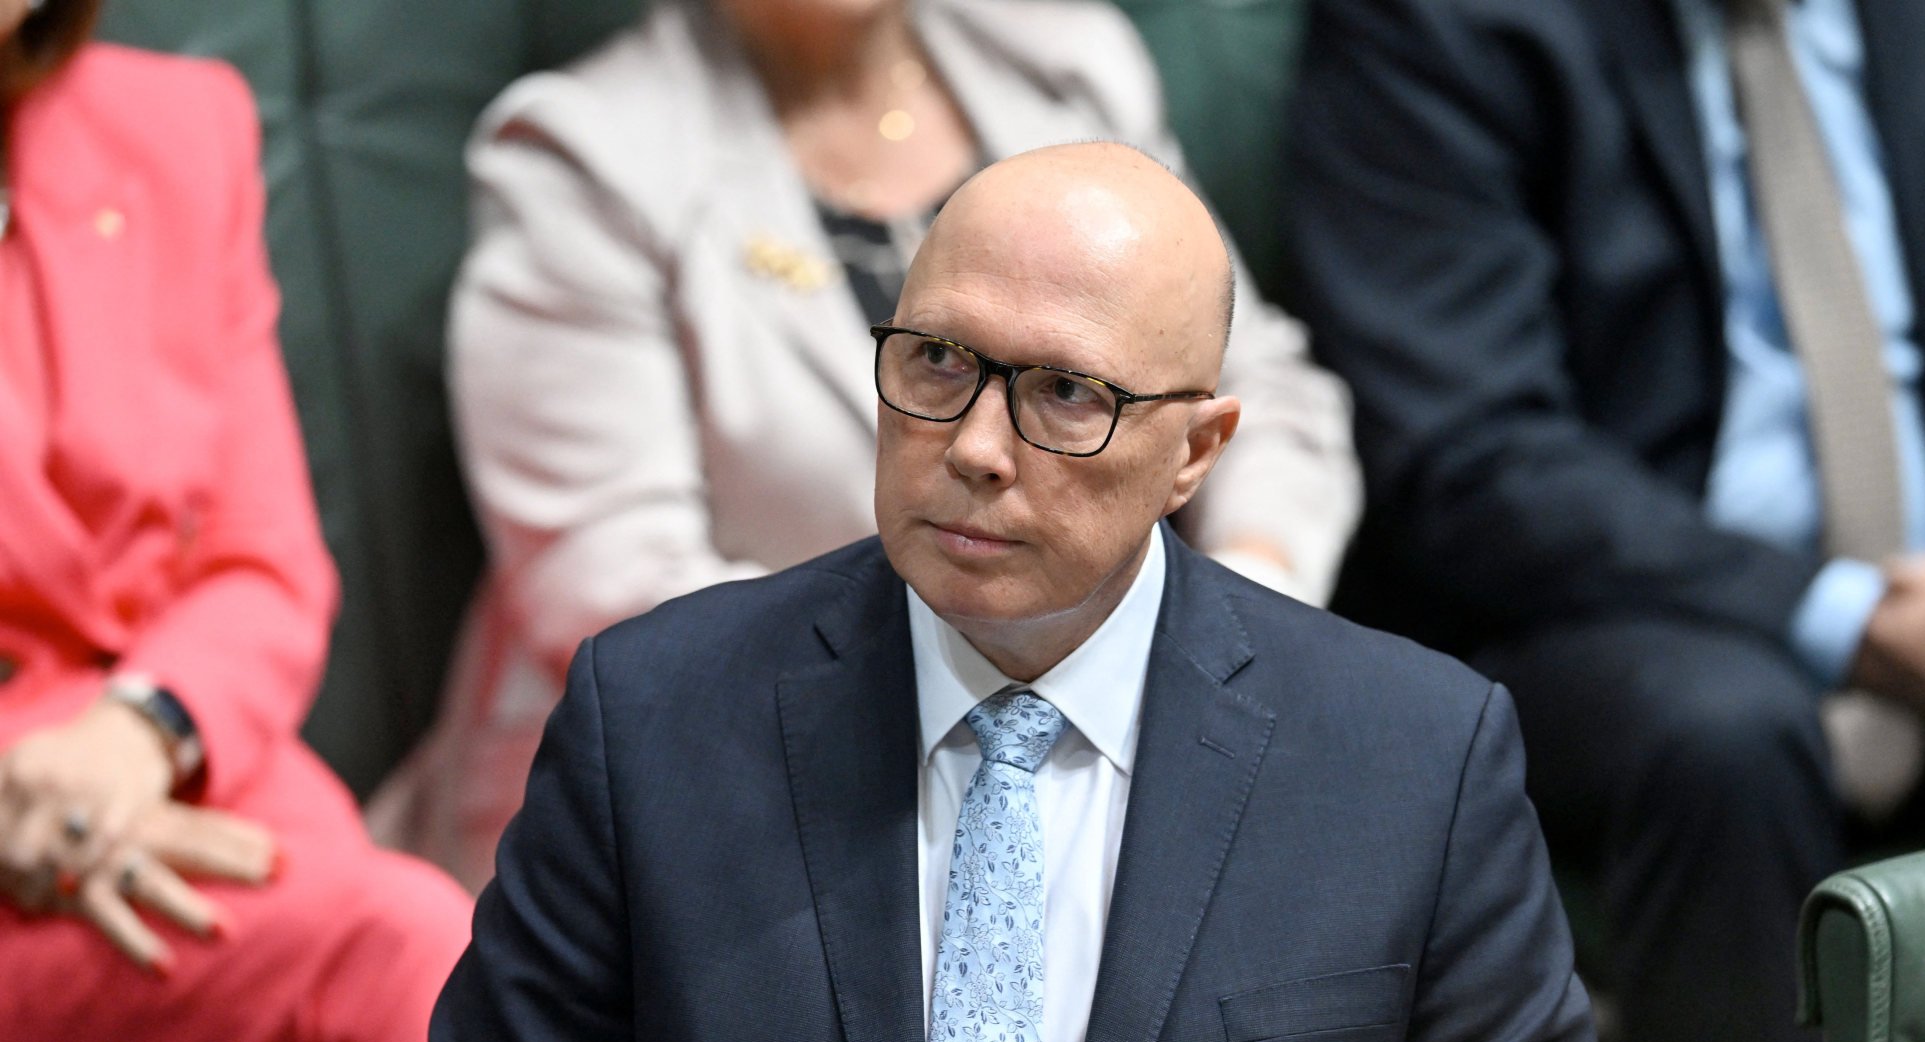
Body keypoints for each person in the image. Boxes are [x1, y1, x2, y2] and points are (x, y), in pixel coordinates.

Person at [358, 143, 1603, 1042]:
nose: (973, 448)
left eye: (1067, 394)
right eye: (939, 360)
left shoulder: (1415, 767)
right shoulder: (655, 721)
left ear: (1196, 452)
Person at [1283, 0, 1925, 1042]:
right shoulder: (1433, 26)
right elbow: (1468, 455)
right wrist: (1872, 625)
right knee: (1717, 730)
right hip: (1576, 609)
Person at [370, 0, 1361, 893]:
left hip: (1076, 749)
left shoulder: (1068, 71)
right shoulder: (584, 152)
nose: (978, 448)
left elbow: (1255, 389)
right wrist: (984, 701)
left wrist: (1231, 621)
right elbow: (607, 584)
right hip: (717, 798)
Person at [0, 4, 472, 1042]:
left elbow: (265, 562)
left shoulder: (170, 128)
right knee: (405, 937)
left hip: (198, 785)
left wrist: (138, 734)